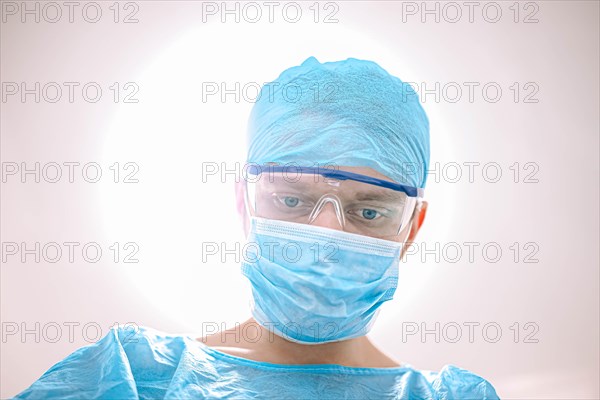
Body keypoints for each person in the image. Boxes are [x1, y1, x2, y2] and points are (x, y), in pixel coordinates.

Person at [15, 57, 500, 399]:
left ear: (411, 228)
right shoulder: (135, 375)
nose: (327, 237)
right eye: (292, 199)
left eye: (368, 211)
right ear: (245, 207)